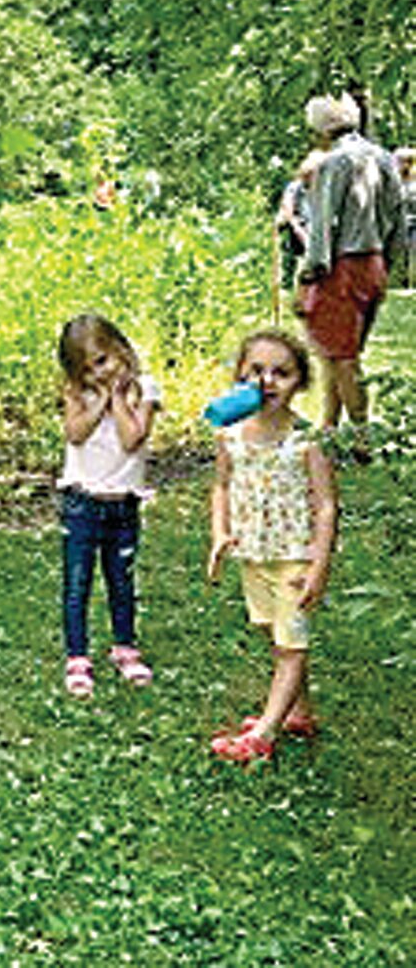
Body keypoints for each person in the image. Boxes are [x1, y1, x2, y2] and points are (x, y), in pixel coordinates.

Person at [207, 329, 337, 763]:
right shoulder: (231, 435)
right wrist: (220, 532)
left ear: (300, 382)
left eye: (281, 373)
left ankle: (263, 734)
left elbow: (325, 506)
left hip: (295, 556)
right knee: (272, 630)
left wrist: (318, 565)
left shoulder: (307, 440)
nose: (267, 382)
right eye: (256, 371)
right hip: (254, 552)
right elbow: (222, 486)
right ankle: (298, 711)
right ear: (240, 378)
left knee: (290, 646)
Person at [56, 313, 161, 698]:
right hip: (81, 504)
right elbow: (75, 433)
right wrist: (98, 398)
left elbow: (133, 437)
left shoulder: (145, 389)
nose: (99, 373)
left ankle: (125, 648)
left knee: (121, 580)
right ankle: (77, 656)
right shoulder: (78, 395)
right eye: (87, 369)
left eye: (103, 361)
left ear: (121, 348)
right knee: (77, 583)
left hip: (123, 506)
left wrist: (118, 398)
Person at [297, 94, 405, 432]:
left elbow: (323, 225)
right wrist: (388, 265)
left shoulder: (333, 164)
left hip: (340, 266)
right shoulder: (385, 160)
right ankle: (329, 425)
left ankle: (360, 435)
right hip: (374, 265)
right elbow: (398, 220)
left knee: (342, 357)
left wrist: (309, 273)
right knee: (339, 350)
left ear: (320, 130)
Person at [274, 149, 323, 294]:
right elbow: (287, 210)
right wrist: (297, 228)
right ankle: (287, 286)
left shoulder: (325, 190)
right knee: (290, 243)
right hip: (295, 228)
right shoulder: (295, 188)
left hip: (315, 230)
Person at [394, 146, 416, 289]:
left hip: (413, 224)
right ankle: (400, 283)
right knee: (398, 258)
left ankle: (411, 284)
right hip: (398, 226)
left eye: (406, 161)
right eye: (400, 161)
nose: (402, 165)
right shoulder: (393, 182)